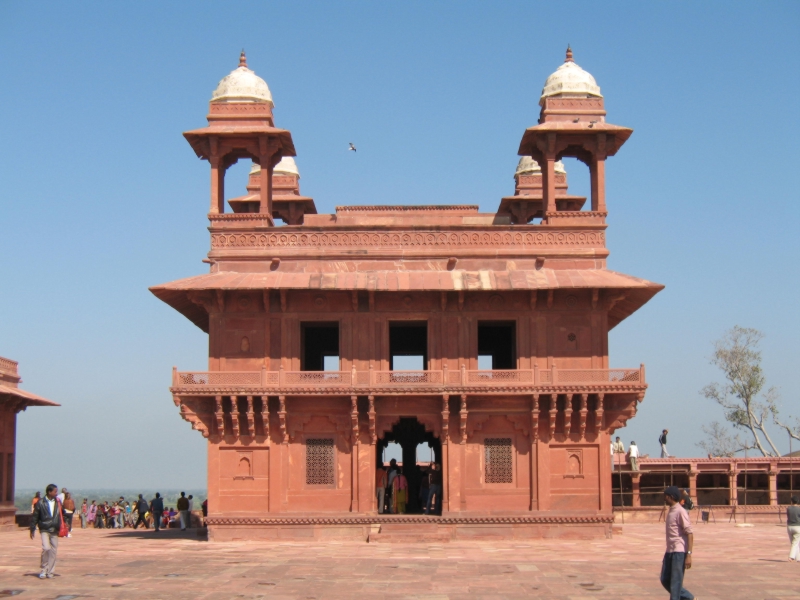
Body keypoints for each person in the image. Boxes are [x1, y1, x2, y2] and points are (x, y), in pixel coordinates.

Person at [661, 486, 695, 600]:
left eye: (665, 496)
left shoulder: (681, 511)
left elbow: (689, 534)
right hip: (670, 551)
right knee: (665, 579)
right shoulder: (671, 510)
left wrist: (689, 554)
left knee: (675, 584)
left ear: (671, 497)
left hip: (679, 552)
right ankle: (689, 597)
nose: (664, 498)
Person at [29, 483, 63, 579]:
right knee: (46, 548)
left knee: (53, 551)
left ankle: (50, 571)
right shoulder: (41, 502)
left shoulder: (58, 502)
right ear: (49, 492)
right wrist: (32, 528)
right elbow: (35, 516)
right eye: (55, 491)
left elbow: (62, 513)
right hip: (44, 528)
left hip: (54, 528)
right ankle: (44, 569)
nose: (56, 493)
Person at [787, 496, 800, 562]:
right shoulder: (799, 509)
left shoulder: (789, 508)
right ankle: (791, 556)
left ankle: (798, 558)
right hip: (797, 527)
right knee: (795, 543)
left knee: (794, 543)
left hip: (790, 526)